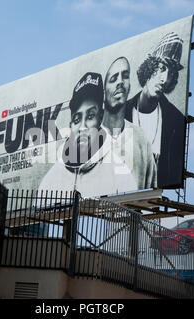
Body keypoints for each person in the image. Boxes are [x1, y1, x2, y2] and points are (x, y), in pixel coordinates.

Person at [38, 72, 137, 197]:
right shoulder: (50, 181)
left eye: (90, 116)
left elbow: (135, 214)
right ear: (70, 125)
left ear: (100, 118)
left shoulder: (120, 174)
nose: (82, 127)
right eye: (77, 119)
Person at [125, 32, 186, 189]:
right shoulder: (122, 112)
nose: (164, 79)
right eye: (162, 68)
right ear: (149, 67)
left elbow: (172, 173)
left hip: (152, 200)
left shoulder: (176, 120)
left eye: (171, 73)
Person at [102, 57, 157, 189]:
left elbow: (152, 193)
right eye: (113, 78)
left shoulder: (141, 139)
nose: (120, 81)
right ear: (103, 93)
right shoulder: (89, 139)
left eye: (125, 76)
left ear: (129, 87)